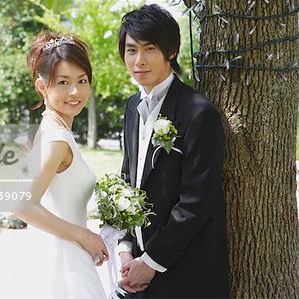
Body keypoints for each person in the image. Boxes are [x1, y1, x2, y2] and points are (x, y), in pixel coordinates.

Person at [117, 4, 230, 298]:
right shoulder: (131, 107)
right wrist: (125, 249)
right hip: (137, 272)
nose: (139, 61)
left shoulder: (198, 112)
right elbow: (129, 180)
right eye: (131, 50)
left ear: (171, 51)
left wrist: (152, 261)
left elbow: (196, 202)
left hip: (185, 275)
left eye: (150, 49)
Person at [14, 31, 108, 299]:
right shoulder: (57, 138)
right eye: (63, 82)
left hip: (57, 254)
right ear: (42, 86)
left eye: (82, 80)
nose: (75, 91)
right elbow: (23, 206)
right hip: (63, 265)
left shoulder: (51, 129)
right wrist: (84, 236)